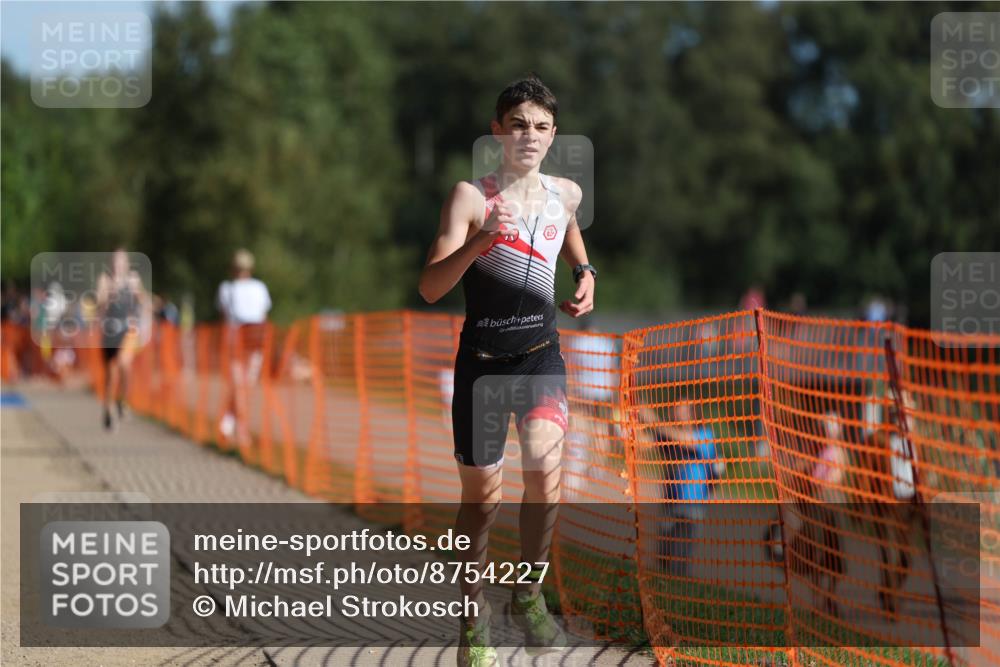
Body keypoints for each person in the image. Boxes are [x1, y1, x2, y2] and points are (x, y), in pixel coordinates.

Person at [418, 75, 595, 666]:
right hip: (483, 368)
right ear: (497, 130)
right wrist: (477, 245)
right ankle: (472, 623)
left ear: (553, 136)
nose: (530, 135)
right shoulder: (471, 197)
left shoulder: (565, 192)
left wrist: (584, 273)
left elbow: (567, 228)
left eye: (541, 127)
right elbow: (429, 286)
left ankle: (528, 593)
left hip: (540, 354)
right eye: (518, 124)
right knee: (482, 502)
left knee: (546, 469)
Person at [643, 402, 722, 577]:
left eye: (683, 410)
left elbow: (686, 440)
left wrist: (653, 420)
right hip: (670, 503)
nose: (679, 414)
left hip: (692, 506)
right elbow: (646, 442)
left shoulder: (705, 434)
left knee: (679, 558)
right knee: (663, 556)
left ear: (693, 414)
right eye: (677, 410)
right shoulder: (669, 437)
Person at [216, 249, 271, 448]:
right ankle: (241, 431)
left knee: (243, 388)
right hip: (240, 341)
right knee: (241, 387)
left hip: (250, 341)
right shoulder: (228, 288)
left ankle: (227, 425)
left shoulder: (255, 288)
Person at [96, 249, 149, 431]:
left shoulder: (133, 279)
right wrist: (109, 294)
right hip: (110, 331)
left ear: (126, 264)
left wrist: (139, 297)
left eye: (120, 262)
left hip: (128, 330)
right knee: (111, 373)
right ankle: (108, 408)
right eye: (114, 262)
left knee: (124, 364)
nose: (117, 265)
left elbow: (143, 300)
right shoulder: (105, 280)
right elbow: (99, 303)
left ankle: (123, 402)